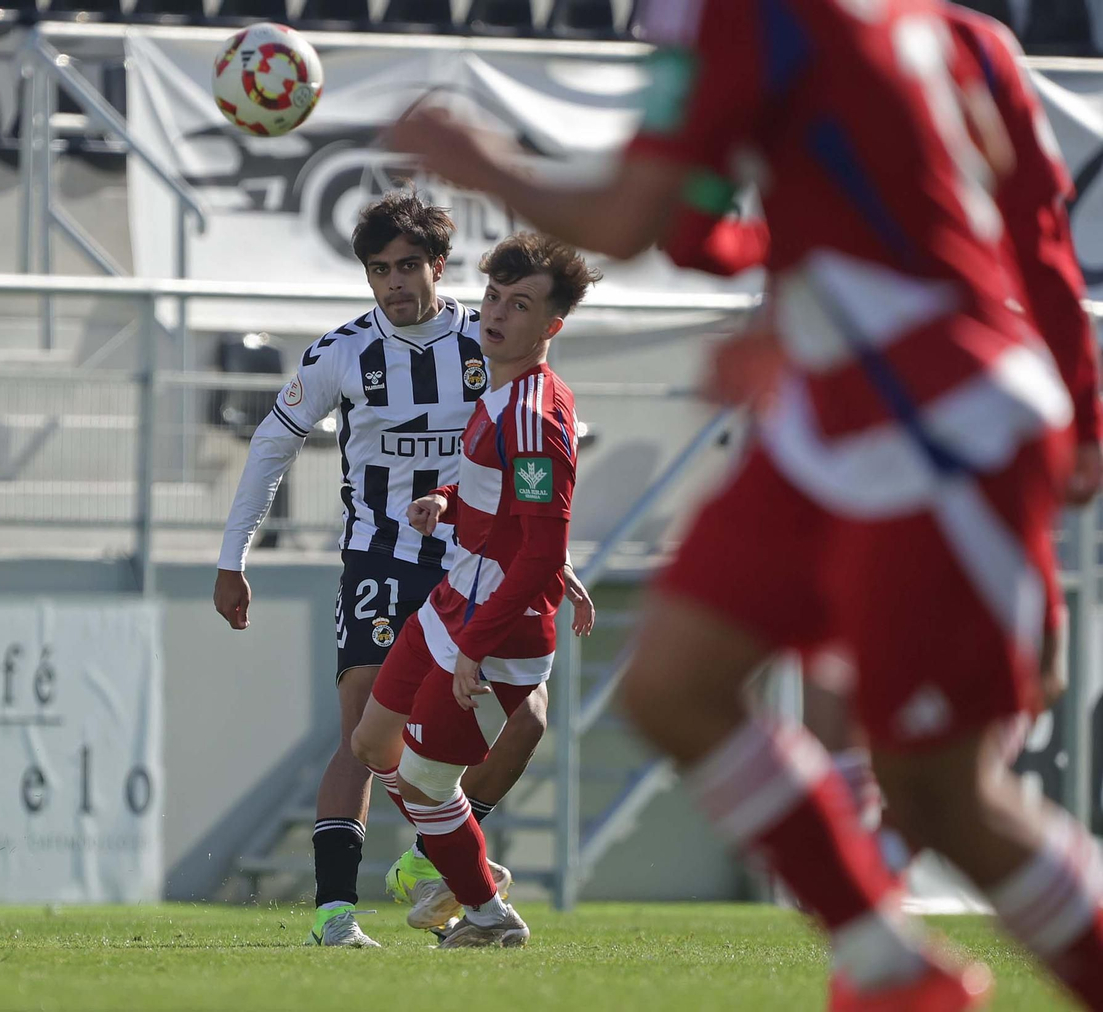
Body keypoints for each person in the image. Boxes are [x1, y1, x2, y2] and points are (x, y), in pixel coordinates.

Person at [387, 0, 1103, 1007]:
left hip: (940, 420)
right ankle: (889, 967)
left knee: (943, 792)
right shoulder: (960, 33)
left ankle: (901, 960)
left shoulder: (752, 18)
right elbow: (706, 227)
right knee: (673, 683)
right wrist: (795, 284)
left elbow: (632, 221)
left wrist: (475, 160)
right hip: (838, 413)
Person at [660, 0, 1103, 858]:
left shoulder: (884, 41)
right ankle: (880, 887)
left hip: (952, 407)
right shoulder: (964, 45)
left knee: (985, 720)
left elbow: (683, 229)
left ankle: (887, 876)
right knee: (818, 679)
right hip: (879, 408)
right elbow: (1042, 245)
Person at [214, 192, 594, 947]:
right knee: (364, 726)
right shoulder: (342, 353)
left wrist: (556, 558)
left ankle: (430, 861)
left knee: (524, 722)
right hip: (383, 556)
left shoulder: (493, 346)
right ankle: (335, 913)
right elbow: (271, 443)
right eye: (378, 269)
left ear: (437, 266)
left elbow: (528, 479)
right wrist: (233, 557)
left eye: (408, 265)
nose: (393, 282)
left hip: (474, 564)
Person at [350, 232, 597, 948]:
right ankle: (453, 871)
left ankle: (487, 913)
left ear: (551, 327)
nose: (496, 314)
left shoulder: (533, 413)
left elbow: (541, 545)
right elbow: (514, 509)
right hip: (458, 595)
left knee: (428, 785)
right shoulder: (507, 391)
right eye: (493, 296)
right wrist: (450, 500)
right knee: (373, 742)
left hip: (494, 625)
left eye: (520, 305)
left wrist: (474, 650)